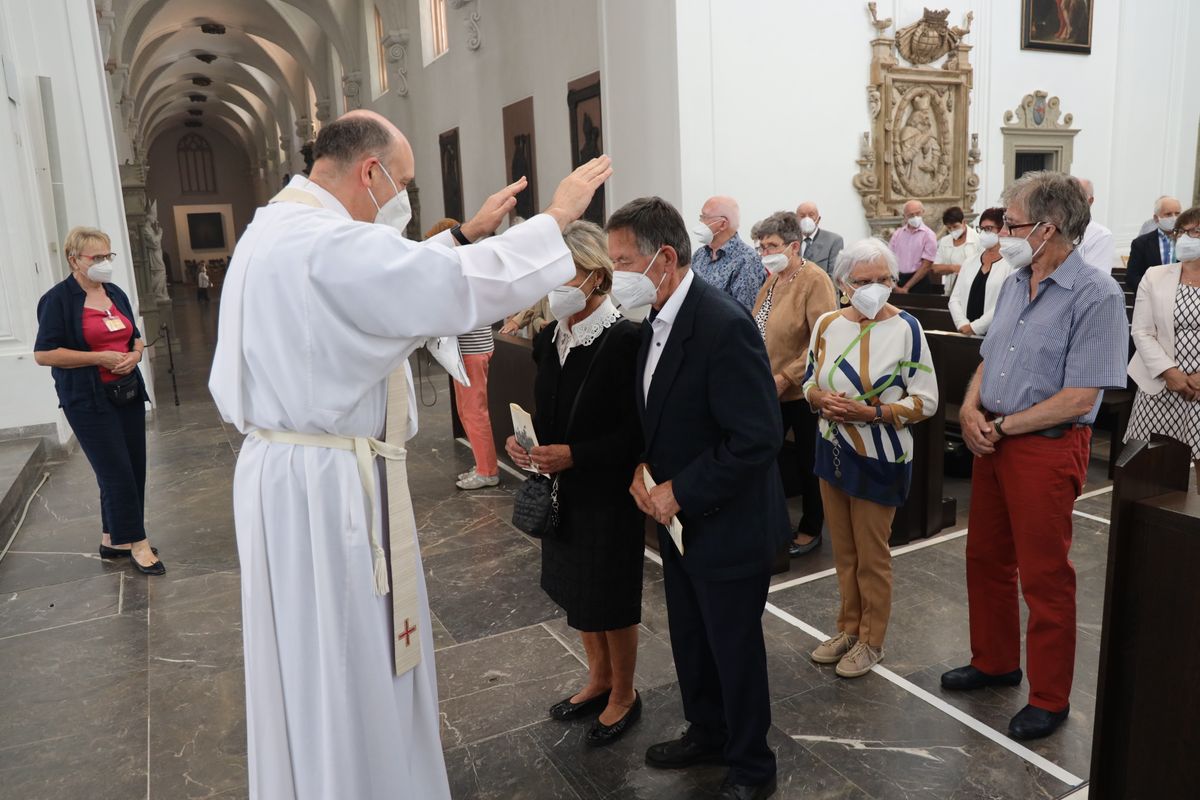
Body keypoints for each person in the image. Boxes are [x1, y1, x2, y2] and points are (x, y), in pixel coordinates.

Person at [208, 109, 610, 799]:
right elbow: (446, 287)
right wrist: (556, 219)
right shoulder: (324, 241)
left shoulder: (275, 227)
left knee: (308, 658)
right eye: (404, 182)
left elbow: (393, 278)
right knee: (346, 659)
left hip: (290, 476)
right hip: (329, 490)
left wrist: (466, 234)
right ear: (371, 171)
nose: (404, 198)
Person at [612, 196, 789, 800]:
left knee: (733, 648)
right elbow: (662, 413)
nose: (616, 274)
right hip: (680, 520)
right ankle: (708, 731)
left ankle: (752, 766)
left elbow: (757, 436)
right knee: (691, 635)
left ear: (663, 258)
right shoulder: (655, 319)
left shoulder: (721, 324)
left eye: (622, 261)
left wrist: (680, 489)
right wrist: (644, 466)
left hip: (727, 519)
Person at [943, 171, 1128, 741]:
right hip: (994, 440)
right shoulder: (1015, 280)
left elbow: (1080, 397)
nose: (1002, 233)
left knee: (1045, 576)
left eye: (1012, 223)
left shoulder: (1096, 295)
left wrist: (1001, 425)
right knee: (986, 559)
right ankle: (995, 660)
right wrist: (970, 409)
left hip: (1045, 447)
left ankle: (1049, 696)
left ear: (1048, 228)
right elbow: (989, 357)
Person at [505, 220, 646, 746]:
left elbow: (637, 433)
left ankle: (624, 693)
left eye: (566, 274)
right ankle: (598, 679)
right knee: (577, 591)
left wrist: (576, 455)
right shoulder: (550, 338)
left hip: (607, 491)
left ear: (597, 277)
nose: (554, 287)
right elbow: (550, 409)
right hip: (561, 489)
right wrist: (526, 441)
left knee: (610, 594)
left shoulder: (627, 339)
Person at [802, 239, 939, 678]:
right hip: (832, 448)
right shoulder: (827, 324)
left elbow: (926, 401)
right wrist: (819, 399)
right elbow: (808, 379)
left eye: (884, 279)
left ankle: (871, 640)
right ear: (844, 284)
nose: (875, 287)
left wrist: (873, 413)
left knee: (872, 555)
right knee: (844, 551)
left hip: (881, 455)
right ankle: (847, 629)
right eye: (864, 281)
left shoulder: (907, 329)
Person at [33, 227, 163, 575]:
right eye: (97, 257)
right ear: (74, 260)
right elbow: (44, 354)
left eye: (108, 255)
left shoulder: (114, 293)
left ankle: (113, 540)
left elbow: (135, 337)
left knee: (133, 466)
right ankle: (137, 543)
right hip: (88, 400)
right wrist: (98, 358)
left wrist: (135, 355)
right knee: (116, 471)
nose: (105, 262)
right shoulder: (57, 300)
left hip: (127, 392)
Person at [750, 211, 838, 556]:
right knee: (765, 455)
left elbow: (823, 339)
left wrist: (786, 377)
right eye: (761, 246)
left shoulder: (814, 279)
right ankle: (771, 523)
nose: (765, 252)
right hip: (768, 385)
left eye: (772, 245)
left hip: (800, 389)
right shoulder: (774, 278)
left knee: (808, 461)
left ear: (794, 246)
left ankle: (811, 528)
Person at [422, 217, 501, 491]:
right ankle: (482, 464)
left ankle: (488, 471)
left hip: (471, 351)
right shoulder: (468, 267)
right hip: (470, 350)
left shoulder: (463, 271)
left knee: (474, 411)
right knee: (466, 411)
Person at [1125, 205, 1200, 488]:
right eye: (1182, 231)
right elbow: (1142, 331)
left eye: (1196, 231)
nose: (1187, 237)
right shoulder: (1155, 275)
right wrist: (1170, 372)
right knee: (1148, 477)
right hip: (1160, 386)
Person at [691, 195, 765, 311]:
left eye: (704, 217)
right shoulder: (699, 255)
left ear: (723, 224)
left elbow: (744, 314)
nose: (701, 222)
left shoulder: (747, 260)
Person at [948, 207, 1014, 336]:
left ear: (1002, 230)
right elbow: (955, 298)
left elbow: (1006, 303)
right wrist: (962, 324)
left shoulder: (1012, 264)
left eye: (989, 229)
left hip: (995, 333)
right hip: (966, 332)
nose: (983, 234)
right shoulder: (969, 262)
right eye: (981, 229)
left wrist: (975, 327)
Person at [1125, 195, 1182, 294]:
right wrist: (1151, 292)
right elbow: (1132, 277)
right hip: (1150, 296)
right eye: (1168, 214)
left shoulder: (1189, 241)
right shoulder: (1141, 243)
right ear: (1156, 218)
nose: (1174, 218)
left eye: (1177, 214)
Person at [890, 200, 939, 293]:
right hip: (898, 279)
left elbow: (926, 265)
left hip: (919, 281)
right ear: (904, 216)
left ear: (923, 212)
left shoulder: (929, 235)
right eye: (911, 215)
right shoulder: (897, 234)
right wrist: (894, 284)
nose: (915, 217)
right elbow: (889, 259)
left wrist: (906, 287)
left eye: (918, 213)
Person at [931, 206, 981, 295]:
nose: (952, 230)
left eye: (955, 226)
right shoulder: (945, 241)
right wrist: (953, 268)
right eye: (949, 228)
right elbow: (936, 267)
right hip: (951, 289)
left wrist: (962, 270)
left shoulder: (978, 239)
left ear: (964, 222)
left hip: (972, 289)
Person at [1075, 178, 1115, 273]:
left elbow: (1095, 278)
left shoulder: (1101, 236)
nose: (1069, 201)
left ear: (1090, 201)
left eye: (1077, 196)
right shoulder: (1051, 229)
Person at [795, 201, 845, 274]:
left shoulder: (834, 241)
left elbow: (834, 275)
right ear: (796, 220)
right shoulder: (790, 241)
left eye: (811, 215)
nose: (807, 219)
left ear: (818, 219)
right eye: (802, 216)